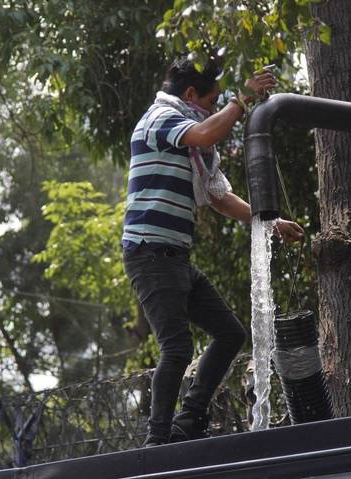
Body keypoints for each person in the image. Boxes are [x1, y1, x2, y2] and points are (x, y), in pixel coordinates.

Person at [122, 58, 304, 446]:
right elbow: (206, 133)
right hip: (150, 253)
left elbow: (220, 197)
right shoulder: (160, 118)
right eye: (212, 100)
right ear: (190, 94)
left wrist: (271, 223)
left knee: (229, 333)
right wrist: (242, 99)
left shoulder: (193, 146)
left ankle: (189, 419)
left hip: (174, 257)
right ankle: (157, 441)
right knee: (176, 348)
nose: (215, 108)